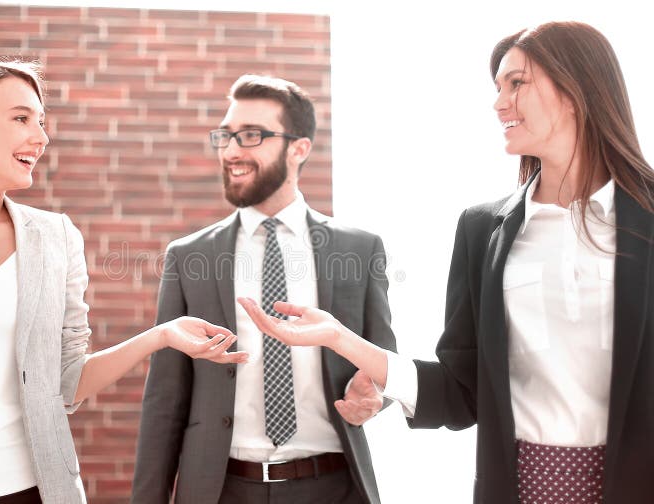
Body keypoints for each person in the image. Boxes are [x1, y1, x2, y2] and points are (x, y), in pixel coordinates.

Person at [238, 21, 654, 504]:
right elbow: (462, 391)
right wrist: (339, 337)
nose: (499, 103)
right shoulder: (483, 230)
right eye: (497, 88)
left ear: (576, 89)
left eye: (517, 83)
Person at [0, 60, 247, 504]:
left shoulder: (57, 237)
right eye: (22, 118)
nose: (41, 138)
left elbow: (65, 380)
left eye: (41, 122)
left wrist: (160, 337)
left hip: (37, 490)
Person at [131, 74, 396, 504]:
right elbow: (164, 401)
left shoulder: (360, 248)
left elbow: (384, 358)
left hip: (334, 487)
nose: (232, 151)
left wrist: (376, 395)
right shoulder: (188, 256)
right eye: (227, 136)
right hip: (220, 490)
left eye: (251, 136)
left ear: (299, 148)